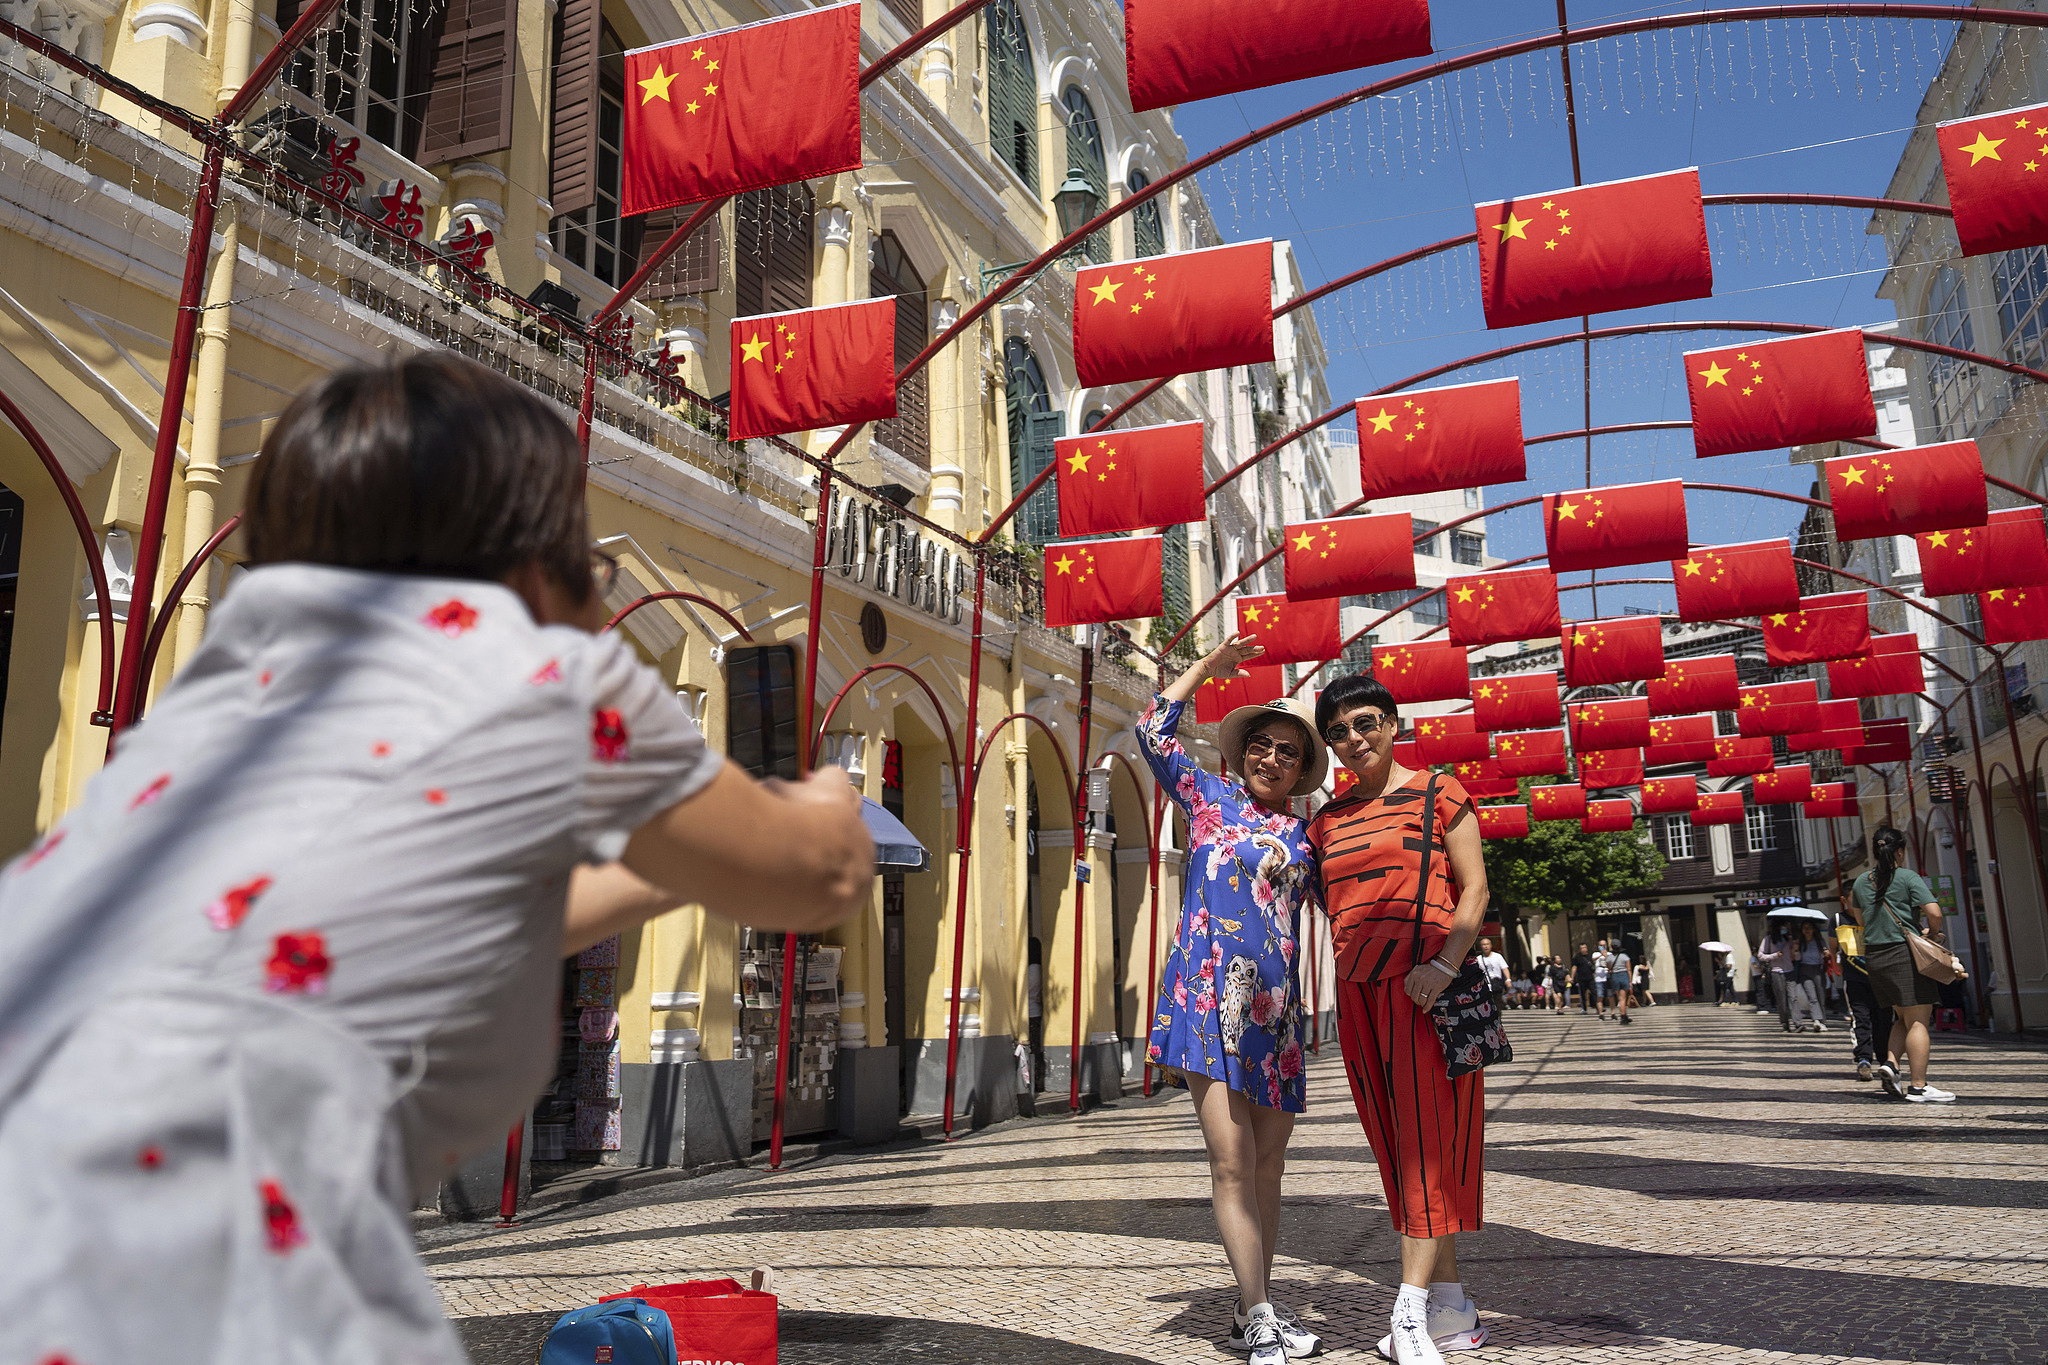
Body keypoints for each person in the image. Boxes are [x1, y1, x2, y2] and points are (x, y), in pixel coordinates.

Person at [0, 356, 876, 1363]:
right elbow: (818, 877)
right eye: (583, 558)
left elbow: (405, 931)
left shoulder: (228, 702)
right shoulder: (534, 674)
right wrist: (828, 797)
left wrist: (668, 867)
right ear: (528, 565)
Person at [1137, 635, 1327, 1364]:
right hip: (1206, 1003)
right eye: (1261, 744)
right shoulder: (1207, 798)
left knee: (1269, 1168)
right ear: (1241, 750)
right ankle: (1257, 1315)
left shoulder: (1307, 838)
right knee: (1230, 1161)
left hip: (1275, 1020)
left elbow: (1348, 904)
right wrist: (1207, 668)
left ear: (1302, 768)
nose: (1271, 757)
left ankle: (1263, 1308)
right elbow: (1153, 728)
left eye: (1288, 750)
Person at [1306, 675, 1491, 1365]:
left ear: (1392, 721)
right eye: (1340, 732)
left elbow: (1475, 887)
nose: (1355, 739)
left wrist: (1442, 964)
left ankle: (1408, 1311)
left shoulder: (1441, 791)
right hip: (1359, 998)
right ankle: (1453, 1307)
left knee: (1425, 1146)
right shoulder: (1326, 820)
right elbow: (1339, 905)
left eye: (1366, 722)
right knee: (1398, 1149)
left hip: (1424, 992)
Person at [1844, 827, 1958, 1103]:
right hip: (1904, 953)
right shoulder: (1906, 877)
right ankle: (1919, 1086)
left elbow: (1860, 921)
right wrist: (1931, 933)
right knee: (1919, 1018)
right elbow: (1934, 912)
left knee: (1903, 1016)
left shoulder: (1860, 882)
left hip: (1875, 956)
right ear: (1899, 851)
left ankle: (1891, 1064)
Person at [1836, 912, 1895, 1083]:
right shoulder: (1840, 920)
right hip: (1855, 979)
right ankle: (1864, 1058)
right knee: (1861, 1019)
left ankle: (1886, 1061)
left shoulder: (1879, 915)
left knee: (1883, 1020)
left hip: (1881, 977)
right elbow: (1834, 947)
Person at [1787, 922, 1829, 1033]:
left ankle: (1823, 1021)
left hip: (1818, 970)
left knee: (1820, 996)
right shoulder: (1800, 942)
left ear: (1814, 929)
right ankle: (1817, 1020)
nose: (1807, 930)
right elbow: (1795, 958)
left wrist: (1826, 953)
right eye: (1804, 928)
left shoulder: (1819, 942)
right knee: (1812, 997)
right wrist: (1794, 949)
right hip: (1805, 970)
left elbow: (1827, 953)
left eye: (1809, 928)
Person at [1757, 926, 1793, 1031]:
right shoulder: (1768, 939)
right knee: (1781, 999)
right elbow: (1761, 956)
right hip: (1776, 971)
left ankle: (1797, 1022)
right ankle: (1785, 1022)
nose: (1784, 928)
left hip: (1789, 970)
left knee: (1793, 997)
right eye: (1782, 926)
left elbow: (1795, 955)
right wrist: (1775, 955)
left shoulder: (1789, 939)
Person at [1476, 936, 1510, 1011]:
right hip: (1485, 985)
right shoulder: (1478, 959)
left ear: (1491, 945)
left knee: (1498, 1003)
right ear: (1480, 946)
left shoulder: (1497, 956)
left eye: (1487, 944)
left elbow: (1504, 968)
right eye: (1484, 945)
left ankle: (1498, 1019)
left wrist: (1508, 979)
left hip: (1496, 983)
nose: (1486, 946)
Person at [1607, 943, 1633, 1024]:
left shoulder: (1609, 957)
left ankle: (1624, 1015)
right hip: (1623, 975)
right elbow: (1629, 969)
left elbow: (1609, 968)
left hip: (1615, 976)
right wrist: (1630, 981)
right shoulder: (1625, 956)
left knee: (1620, 998)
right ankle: (1623, 1016)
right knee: (1623, 998)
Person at [1572, 944, 1595, 1014]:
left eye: (1584, 947)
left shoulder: (1590, 956)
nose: (1583, 949)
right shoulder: (1577, 957)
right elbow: (1574, 967)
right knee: (1582, 994)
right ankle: (1584, 1009)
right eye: (1582, 948)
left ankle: (1598, 1006)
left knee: (1594, 993)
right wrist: (1572, 977)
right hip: (1581, 979)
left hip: (1590, 978)